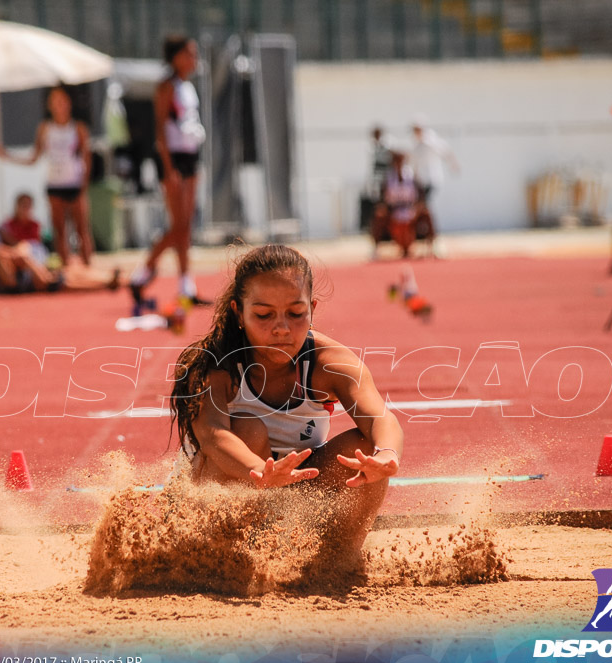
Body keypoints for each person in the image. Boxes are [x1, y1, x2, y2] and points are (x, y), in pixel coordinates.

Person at [169, 244, 403, 557]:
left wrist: (387, 455)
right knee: (251, 431)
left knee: (365, 453)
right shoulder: (215, 365)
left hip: (289, 490)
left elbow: (380, 418)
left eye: (295, 314)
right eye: (264, 315)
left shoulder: (331, 362)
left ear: (313, 309)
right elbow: (214, 436)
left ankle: (339, 562)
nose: (281, 328)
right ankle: (220, 559)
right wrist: (261, 473)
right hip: (218, 493)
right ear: (238, 312)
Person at [130, 35, 208, 305]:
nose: (193, 59)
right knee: (179, 225)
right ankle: (142, 273)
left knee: (186, 227)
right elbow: (161, 131)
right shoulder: (167, 87)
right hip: (173, 159)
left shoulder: (188, 86)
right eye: (189, 53)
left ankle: (186, 286)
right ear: (175, 57)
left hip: (190, 156)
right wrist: (168, 168)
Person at [0, 87, 94, 267]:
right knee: (60, 231)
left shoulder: (78, 128)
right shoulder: (45, 128)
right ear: (49, 105)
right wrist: (8, 156)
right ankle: (67, 273)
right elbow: (34, 158)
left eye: (62, 100)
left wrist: (83, 186)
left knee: (82, 230)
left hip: (74, 183)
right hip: (54, 183)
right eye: (55, 100)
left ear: (69, 102)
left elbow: (87, 159)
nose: (59, 105)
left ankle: (88, 268)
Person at [0, 195, 118, 295]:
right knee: (62, 282)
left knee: (67, 275)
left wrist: (22, 253)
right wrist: (20, 254)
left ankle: (107, 281)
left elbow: (16, 246)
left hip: (19, 271)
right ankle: (105, 283)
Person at [411, 117, 459, 256]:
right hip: (421, 183)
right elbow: (414, 164)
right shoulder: (416, 145)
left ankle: (432, 241)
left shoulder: (430, 141)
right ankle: (428, 242)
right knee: (423, 210)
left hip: (431, 181)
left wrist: (453, 164)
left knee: (425, 210)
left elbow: (446, 151)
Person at [371, 148, 421, 259]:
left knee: (425, 215)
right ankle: (376, 248)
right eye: (396, 161)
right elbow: (382, 197)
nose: (399, 164)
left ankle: (433, 245)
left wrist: (417, 206)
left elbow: (419, 194)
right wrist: (384, 207)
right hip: (393, 209)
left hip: (409, 208)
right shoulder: (388, 177)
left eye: (401, 161)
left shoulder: (411, 176)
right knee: (379, 217)